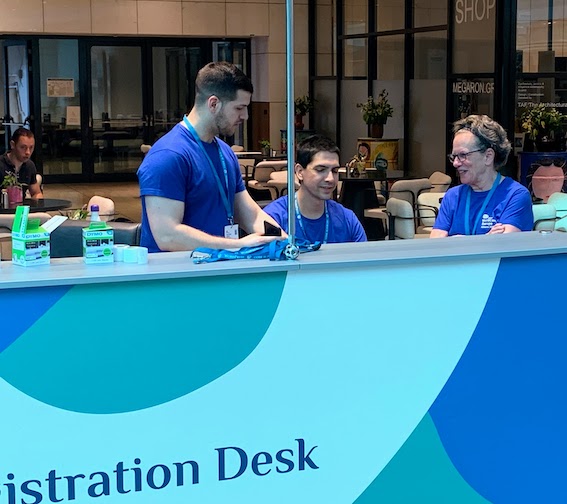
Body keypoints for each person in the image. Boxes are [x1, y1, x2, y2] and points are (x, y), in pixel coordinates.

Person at [137, 62, 284, 253]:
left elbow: (251, 215)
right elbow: (167, 235)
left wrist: (285, 241)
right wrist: (237, 245)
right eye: (239, 108)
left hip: (215, 270)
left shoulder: (224, 152)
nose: (246, 116)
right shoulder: (168, 155)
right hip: (176, 277)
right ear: (213, 103)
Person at [431, 115, 533, 238]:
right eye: (454, 156)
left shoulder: (515, 195)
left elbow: (502, 246)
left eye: (463, 155)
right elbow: (436, 244)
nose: (455, 163)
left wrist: (456, 241)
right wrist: (485, 239)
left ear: (488, 156)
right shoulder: (452, 196)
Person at [264, 135, 367, 243]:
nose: (330, 179)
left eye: (335, 171)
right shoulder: (275, 218)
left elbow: (364, 258)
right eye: (320, 170)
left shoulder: (347, 219)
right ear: (299, 172)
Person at [0, 128, 43, 199]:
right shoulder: (1, 164)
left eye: (31, 148)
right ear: (12, 145)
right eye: (23, 147)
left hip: (20, 208)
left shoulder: (29, 166)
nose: (28, 152)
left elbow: (36, 193)